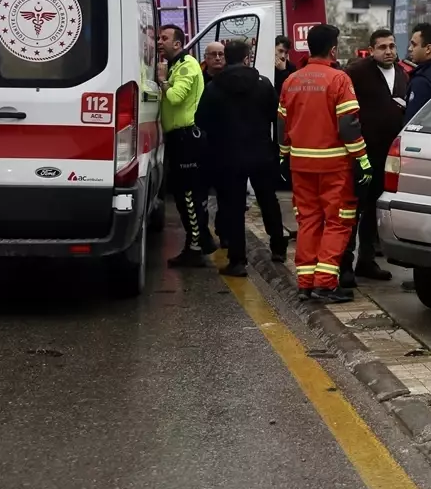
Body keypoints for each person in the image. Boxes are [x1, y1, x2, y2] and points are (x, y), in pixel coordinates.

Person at [278, 23, 372, 304]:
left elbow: (282, 124)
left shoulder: (291, 80)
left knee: (307, 221)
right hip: (334, 166)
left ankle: (305, 283)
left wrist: (284, 155)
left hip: (300, 164)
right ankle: (326, 285)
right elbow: (349, 125)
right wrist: (362, 160)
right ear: (333, 49)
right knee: (338, 223)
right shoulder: (339, 79)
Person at [195, 39, 287, 276]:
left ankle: (237, 261)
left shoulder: (215, 87)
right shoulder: (264, 84)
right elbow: (274, 115)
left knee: (232, 207)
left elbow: (201, 120)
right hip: (261, 153)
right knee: (268, 199)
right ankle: (278, 246)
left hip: (228, 156)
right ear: (247, 57)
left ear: (226, 57)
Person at [342, 29, 408, 284]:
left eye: (391, 45)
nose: (389, 50)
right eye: (382, 47)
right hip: (362, 152)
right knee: (353, 209)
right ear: (371, 50)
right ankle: (344, 263)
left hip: (388, 154)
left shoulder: (402, 74)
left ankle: (366, 261)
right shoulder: (357, 72)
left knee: (373, 211)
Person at [158, 25, 218, 268]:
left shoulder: (188, 65)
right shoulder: (174, 65)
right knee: (184, 197)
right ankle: (201, 240)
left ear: (178, 43)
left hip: (187, 139)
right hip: (177, 138)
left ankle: (197, 246)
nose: (160, 42)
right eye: (159, 38)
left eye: (165, 38)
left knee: (189, 196)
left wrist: (162, 81)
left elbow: (175, 97)